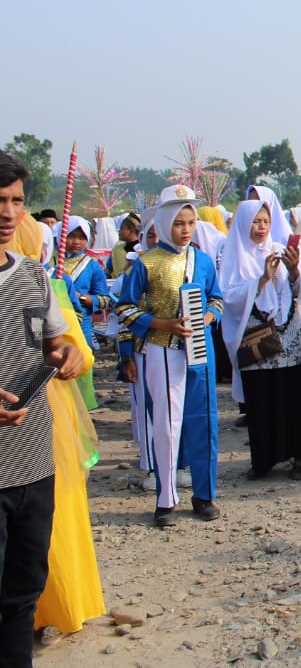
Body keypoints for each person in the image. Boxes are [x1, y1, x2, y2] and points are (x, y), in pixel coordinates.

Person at [0, 152, 89, 664]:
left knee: (21, 594)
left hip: (33, 465)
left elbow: (56, 344)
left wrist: (69, 354)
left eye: (17, 201)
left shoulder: (33, 276)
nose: (9, 213)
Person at [117, 185, 223, 527]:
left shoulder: (202, 260)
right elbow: (124, 309)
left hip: (200, 349)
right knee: (165, 424)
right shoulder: (146, 263)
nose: (185, 230)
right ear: (164, 223)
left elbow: (216, 299)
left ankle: (204, 495)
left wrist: (208, 317)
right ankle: (166, 498)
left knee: (204, 420)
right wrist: (160, 323)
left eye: (190, 222)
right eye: (178, 223)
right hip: (162, 349)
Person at [220, 201, 301, 481]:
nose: (261, 227)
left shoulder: (280, 250)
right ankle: (264, 459)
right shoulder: (236, 256)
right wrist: (261, 280)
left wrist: (293, 271)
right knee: (263, 398)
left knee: (296, 396)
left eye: (265, 221)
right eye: (255, 222)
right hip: (257, 338)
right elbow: (229, 298)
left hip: (290, 336)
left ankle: (300, 458)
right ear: (244, 224)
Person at [57, 216, 113, 410]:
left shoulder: (92, 266)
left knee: (81, 363)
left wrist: (83, 298)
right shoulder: (51, 264)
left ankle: (82, 408)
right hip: (54, 322)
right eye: (71, 236)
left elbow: (105, 299)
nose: (76, 242)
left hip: (81, 324)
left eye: (81, 237)